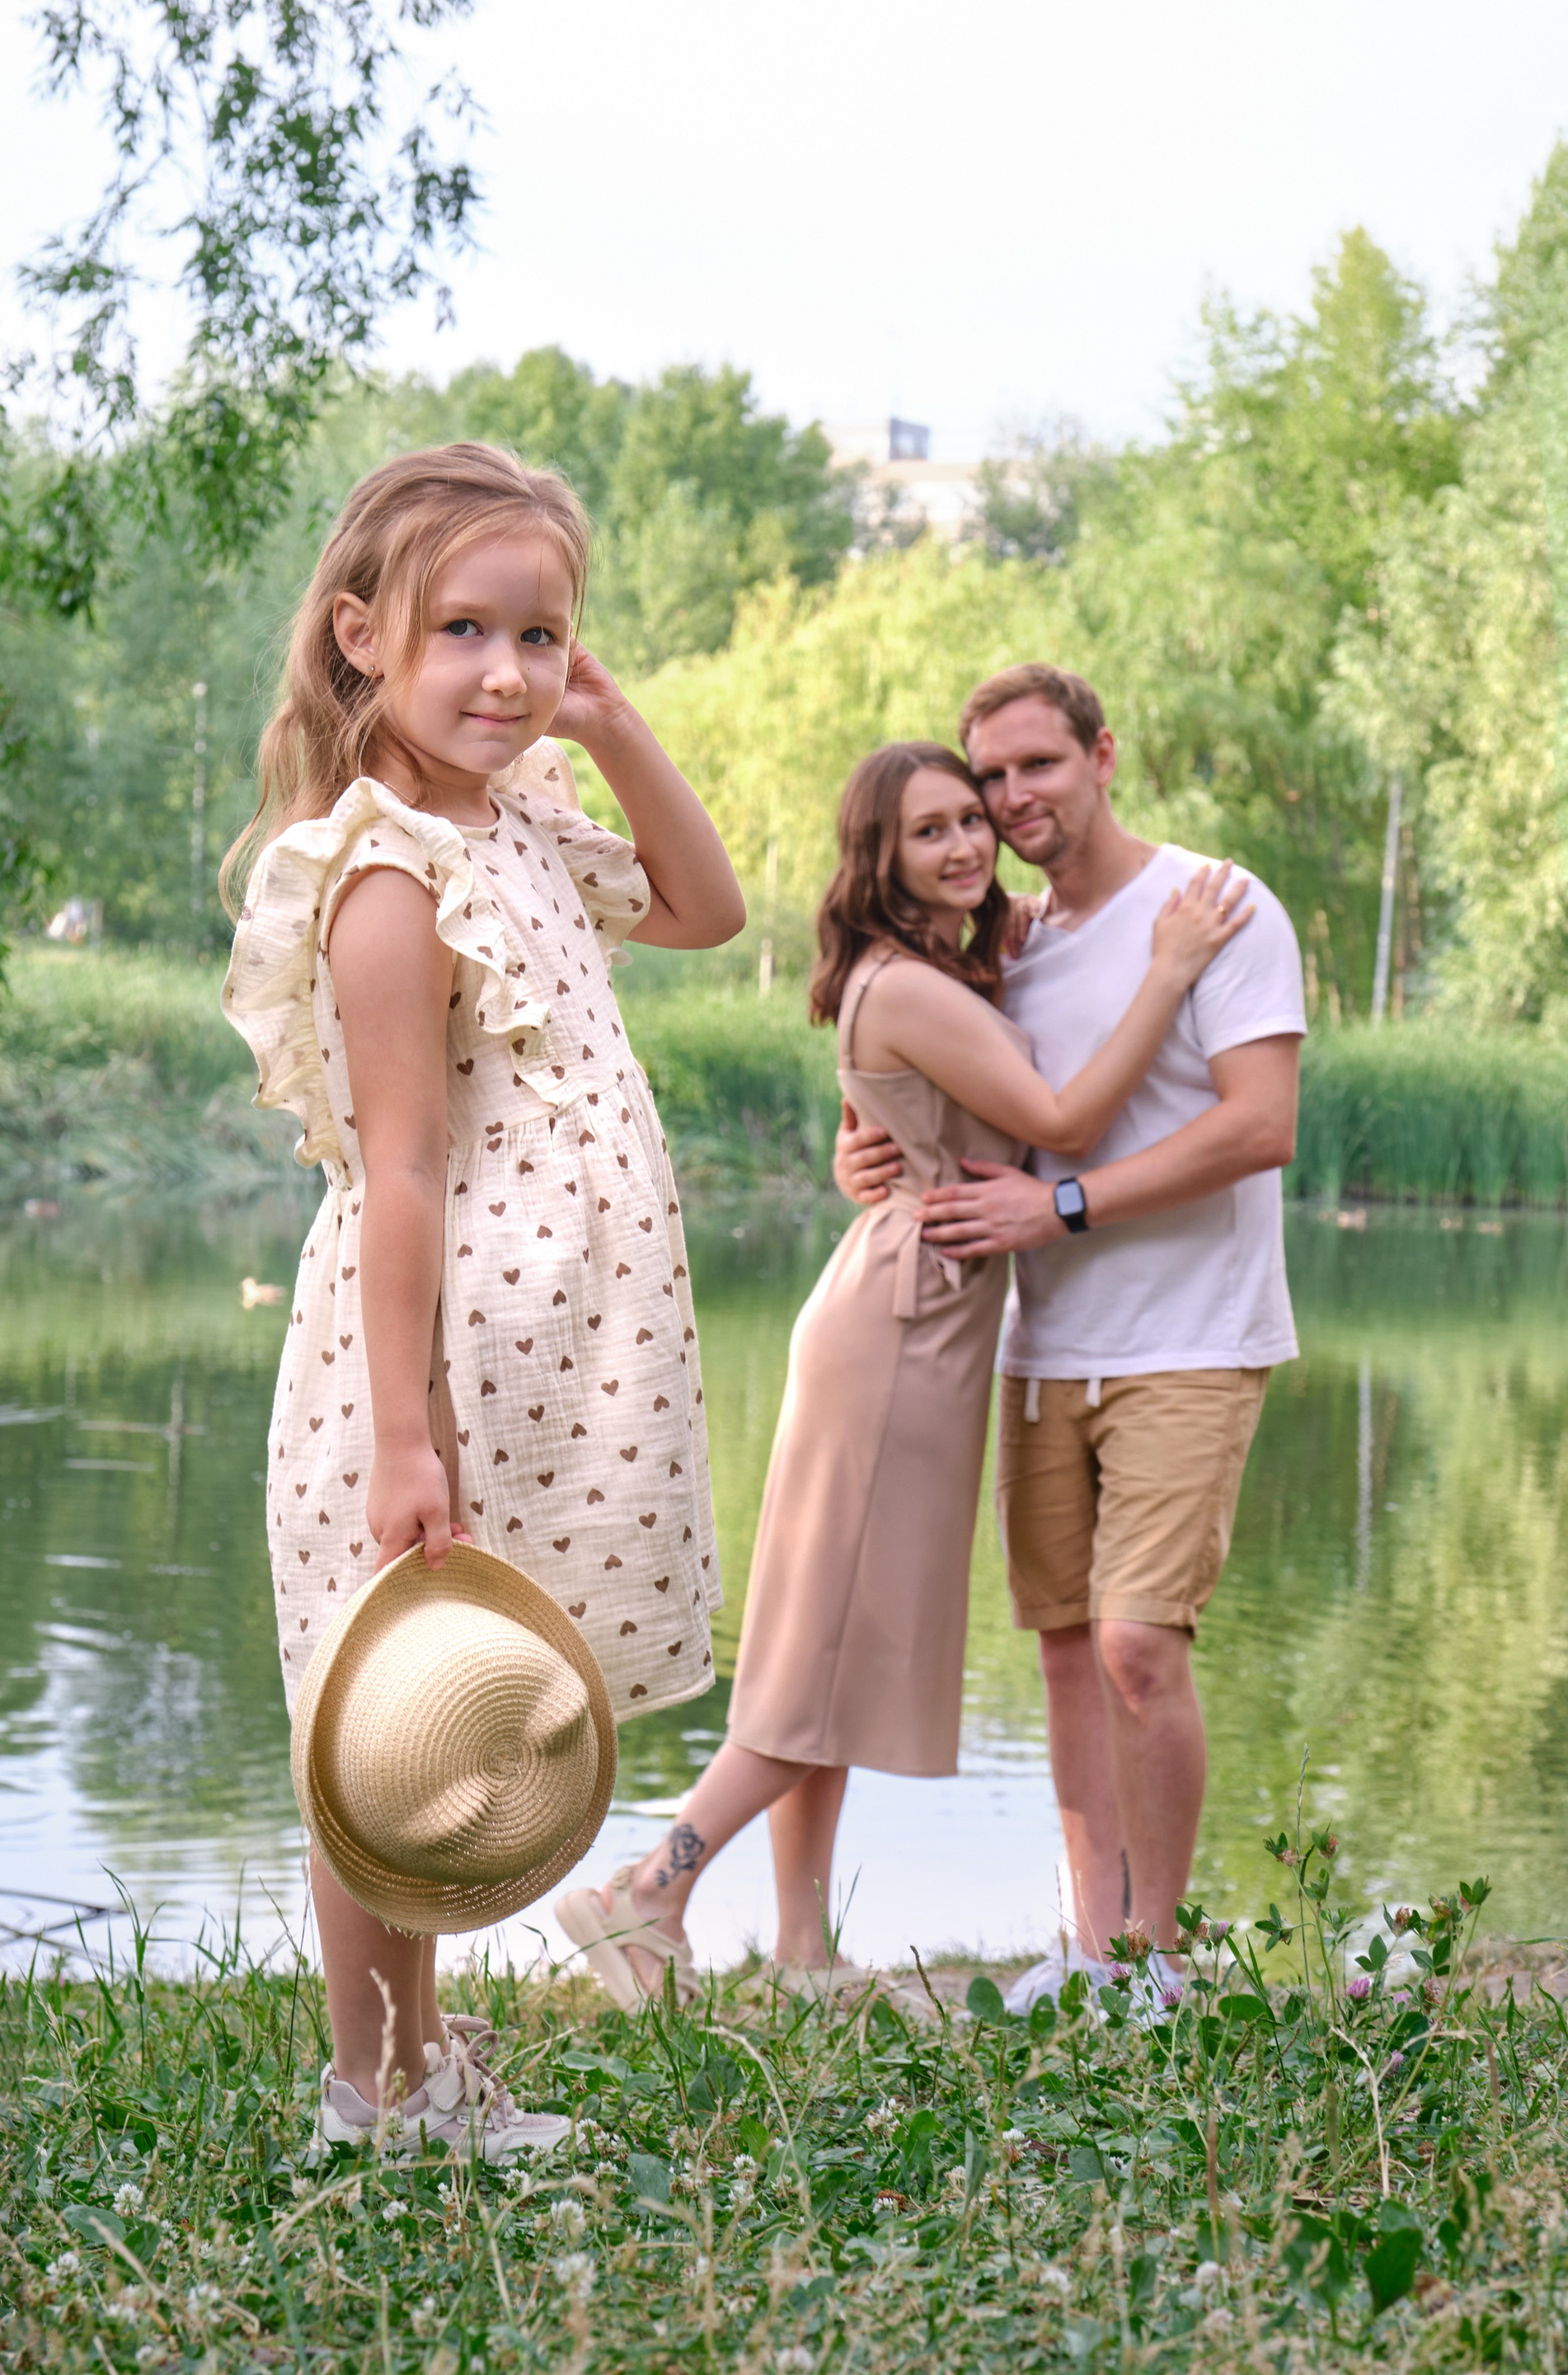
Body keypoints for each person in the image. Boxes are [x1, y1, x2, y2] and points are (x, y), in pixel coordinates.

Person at [221, 442, 744, 2149]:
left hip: (543, 1365)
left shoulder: (518, 819)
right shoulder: (389, 876)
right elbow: (402, 1173)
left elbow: (707, 907)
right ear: (361, 634)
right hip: (431, 1365)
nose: (509, 673)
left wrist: (615, 726)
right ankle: (369, 2087)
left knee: (457, 1714)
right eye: (465, 629)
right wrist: (402, 1434)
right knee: (384, 1716)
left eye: (542, 635)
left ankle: (422, 2071)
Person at [555, 740, 1249, 2007]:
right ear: (879, 857)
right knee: (824, 1655)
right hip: (901, 1329)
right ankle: (645, 1889)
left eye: (972, 821)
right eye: (930, 831)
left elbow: (916, 1113)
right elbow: (1065, 1122)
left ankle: (802, 1949)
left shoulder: (936, 970)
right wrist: (1170, 970)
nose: (966, 845)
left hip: (911, 1311)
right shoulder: (910, 985)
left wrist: (870, 1140)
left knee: (824, 1642)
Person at [835, 665, 1306, 2006]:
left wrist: (1065, 1206)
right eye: (988, 777)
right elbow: (931, 1093)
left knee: (1137, 1648)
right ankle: (1094, 1954)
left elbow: (1260, 1125)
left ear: (1104, 755)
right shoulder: (1010, 941)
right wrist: (862, 1153)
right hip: (1040, 1349)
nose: (1010, 798)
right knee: (1062, 1652)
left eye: (1038, 764)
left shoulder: (1215, 906)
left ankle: (1160, 1954)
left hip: (1191, 1337)